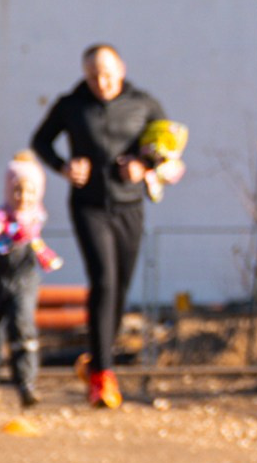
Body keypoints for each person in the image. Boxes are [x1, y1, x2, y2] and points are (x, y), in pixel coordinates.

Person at [30, 44, 184, 409]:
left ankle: (96, 362)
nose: (101, 82)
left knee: (120, 289)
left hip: (129, 206)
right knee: (104, 281)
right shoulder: (71, 105)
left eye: (108, 74)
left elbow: (168, 154)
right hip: (89, 206)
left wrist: (145, 169)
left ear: (122, 69)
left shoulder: (144, 104)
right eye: (93, 75)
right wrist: (64, 167)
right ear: (85, 74)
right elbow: (41, 141)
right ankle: (103, 377)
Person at [0, 152, 63, 408]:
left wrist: (48, 257)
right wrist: (10, 235)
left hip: (24, 280)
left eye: (29, 191)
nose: (23, 197)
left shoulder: (36, 218)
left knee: (23, 328)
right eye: (17, 190)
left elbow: (38, 245)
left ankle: (27, 386)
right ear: (9, 190)